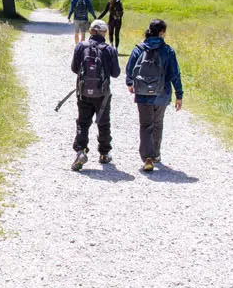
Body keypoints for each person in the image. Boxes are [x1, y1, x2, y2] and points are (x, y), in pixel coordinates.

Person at [126, 19, 183, 173]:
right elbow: (175, 74)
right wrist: (179, 94)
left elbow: (130, 69)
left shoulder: (139, 48)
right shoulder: (168, 51)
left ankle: (147, 158)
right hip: (162, 94)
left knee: (145, 125)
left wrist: (130, 83)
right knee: (157, 123)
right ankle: (156, 154)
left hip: (143, 93)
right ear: (162, 32)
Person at [69, 18, 121, 170]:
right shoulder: (109, 49)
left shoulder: (81, 46)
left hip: (83, 92)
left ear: (90, 31)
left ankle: (81, 151)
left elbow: (74, 68)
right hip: (102, 94)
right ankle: (104, 154)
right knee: (103, 122)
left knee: (83, 122)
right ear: (104, 33)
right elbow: (116, 73)